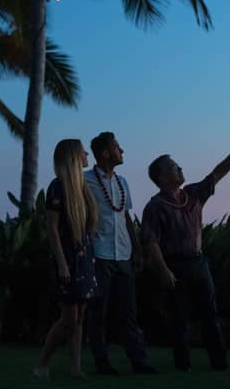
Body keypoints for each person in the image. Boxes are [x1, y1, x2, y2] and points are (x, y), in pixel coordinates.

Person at [140, 136, 230, 372]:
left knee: (210, 314)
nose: (179, 168)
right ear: (162, 177)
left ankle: (219, 363)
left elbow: (216, 174)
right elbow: (151, 243)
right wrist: (163, 270)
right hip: (175, 267)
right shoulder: (155, 207)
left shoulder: (193, 194)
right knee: (178, 319)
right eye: (173, 167)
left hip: (199, 264)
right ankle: (183, 366)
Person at [84, 132, 157, 375]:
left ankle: (139, 361)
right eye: (117, 147)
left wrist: (137, 251)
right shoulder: (85, 181)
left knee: (129, 312)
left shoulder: (122, 182)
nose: (122, 151)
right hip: (100, 254)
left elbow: (125, 216)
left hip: (123, 255)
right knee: (99, 312)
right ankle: (102, 362)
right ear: (105, 153)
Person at [33, 139, 100, 380]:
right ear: (73, 157)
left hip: (84, 257)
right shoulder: (57, 187)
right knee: (69, 317)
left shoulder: (82, 187)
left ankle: (75, 367)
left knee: (80, 316)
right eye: (83, 152)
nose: (86, 155)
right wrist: (62, 263)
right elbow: (52, 228)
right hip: (67, 259)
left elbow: (90, 224)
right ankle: (42, 364)